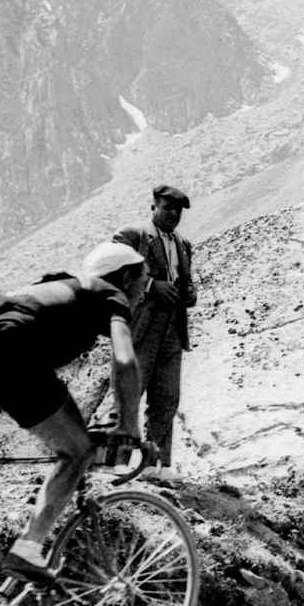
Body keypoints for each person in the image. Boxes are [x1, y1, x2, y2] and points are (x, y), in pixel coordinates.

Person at [0, 242, 147, 587]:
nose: (144, 292)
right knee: (78, 452)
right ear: (126, 276)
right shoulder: (111, 295)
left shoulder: (60, 286)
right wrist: (129, 426)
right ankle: (29, 548)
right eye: (144, 281)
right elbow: (125, 361)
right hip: (8, 345)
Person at [107, 184, 197, 477]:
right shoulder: (132, 236)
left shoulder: (183, 244)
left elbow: (186, 280)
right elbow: (112, 273)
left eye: (178, 210)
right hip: (141, 328)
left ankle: (155, 465)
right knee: (129, 391)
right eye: (167, 207)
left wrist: (189, 292)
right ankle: (113, 460)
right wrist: (149, 285)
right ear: (153, 207)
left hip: (172, 330)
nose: (173, 214)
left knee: (167, 397)